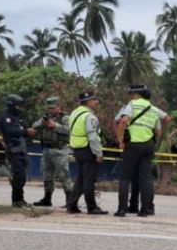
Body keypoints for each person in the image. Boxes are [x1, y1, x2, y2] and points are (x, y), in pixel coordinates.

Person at [114, 85, 170, 217]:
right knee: (145, 178)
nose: (130, 96)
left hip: (133, 145)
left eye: (131, 94)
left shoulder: (132, 104)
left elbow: (123, 121)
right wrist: (158, 135)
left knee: (125, 177)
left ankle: (122, 210)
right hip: (149, 146)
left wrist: (120, 139)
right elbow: (166, 119)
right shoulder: (152, 108)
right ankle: (145, 210)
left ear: (136, 94)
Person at [66, 91, 108, 215]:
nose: (96, 102)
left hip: (77, 149)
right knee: (89, 180)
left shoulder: (74, 113)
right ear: (89, 102)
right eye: (94, 100)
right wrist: (98, 153)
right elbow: (93, 136)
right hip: (88, 150)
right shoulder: (89, 116)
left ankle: (72, 205)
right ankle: (92, 207)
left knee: (81, 179)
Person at [32, 97, 74, 208]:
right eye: (49, 108)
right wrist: (43, 123)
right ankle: (47, 198)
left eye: (53, 108)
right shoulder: (46, 118)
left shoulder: (65, 118)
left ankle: (70, 200)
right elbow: (34, 126)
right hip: (46, 150)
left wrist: (55, 126)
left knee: (64, 175)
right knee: (47, 175)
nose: (50, 110)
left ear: (59, 107)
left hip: (60, 150)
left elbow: (69, 130)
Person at [0, 94, 36, 207]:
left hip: (22, 150)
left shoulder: (18, 119)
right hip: (13, 150)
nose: (20, 108)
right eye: (18, 106)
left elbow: (24, 131)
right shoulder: (6, 118)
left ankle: (20, 199)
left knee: (22, 176)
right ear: (12, 106)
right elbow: (10, 131)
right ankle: (16, 200)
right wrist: (25, 132)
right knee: (19, 175)